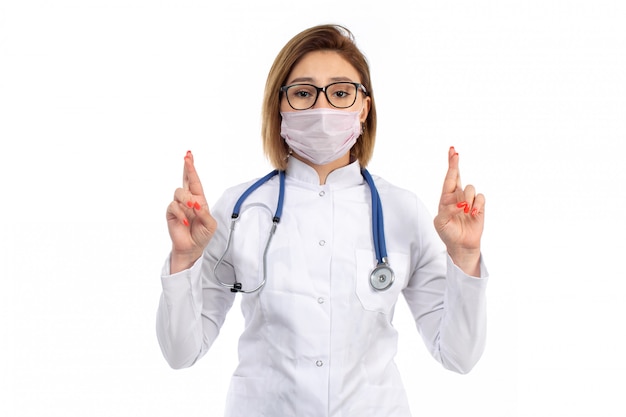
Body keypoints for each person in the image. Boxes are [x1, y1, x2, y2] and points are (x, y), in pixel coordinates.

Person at [157, 24, 488, 417]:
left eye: (341, 92)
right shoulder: (239, 209)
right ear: (279, 105)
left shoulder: (402, 210)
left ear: (364, 107)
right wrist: (184, 259)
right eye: (302, 93)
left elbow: (458, 355)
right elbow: (181, 352)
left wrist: (466, 257)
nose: (322, 108)